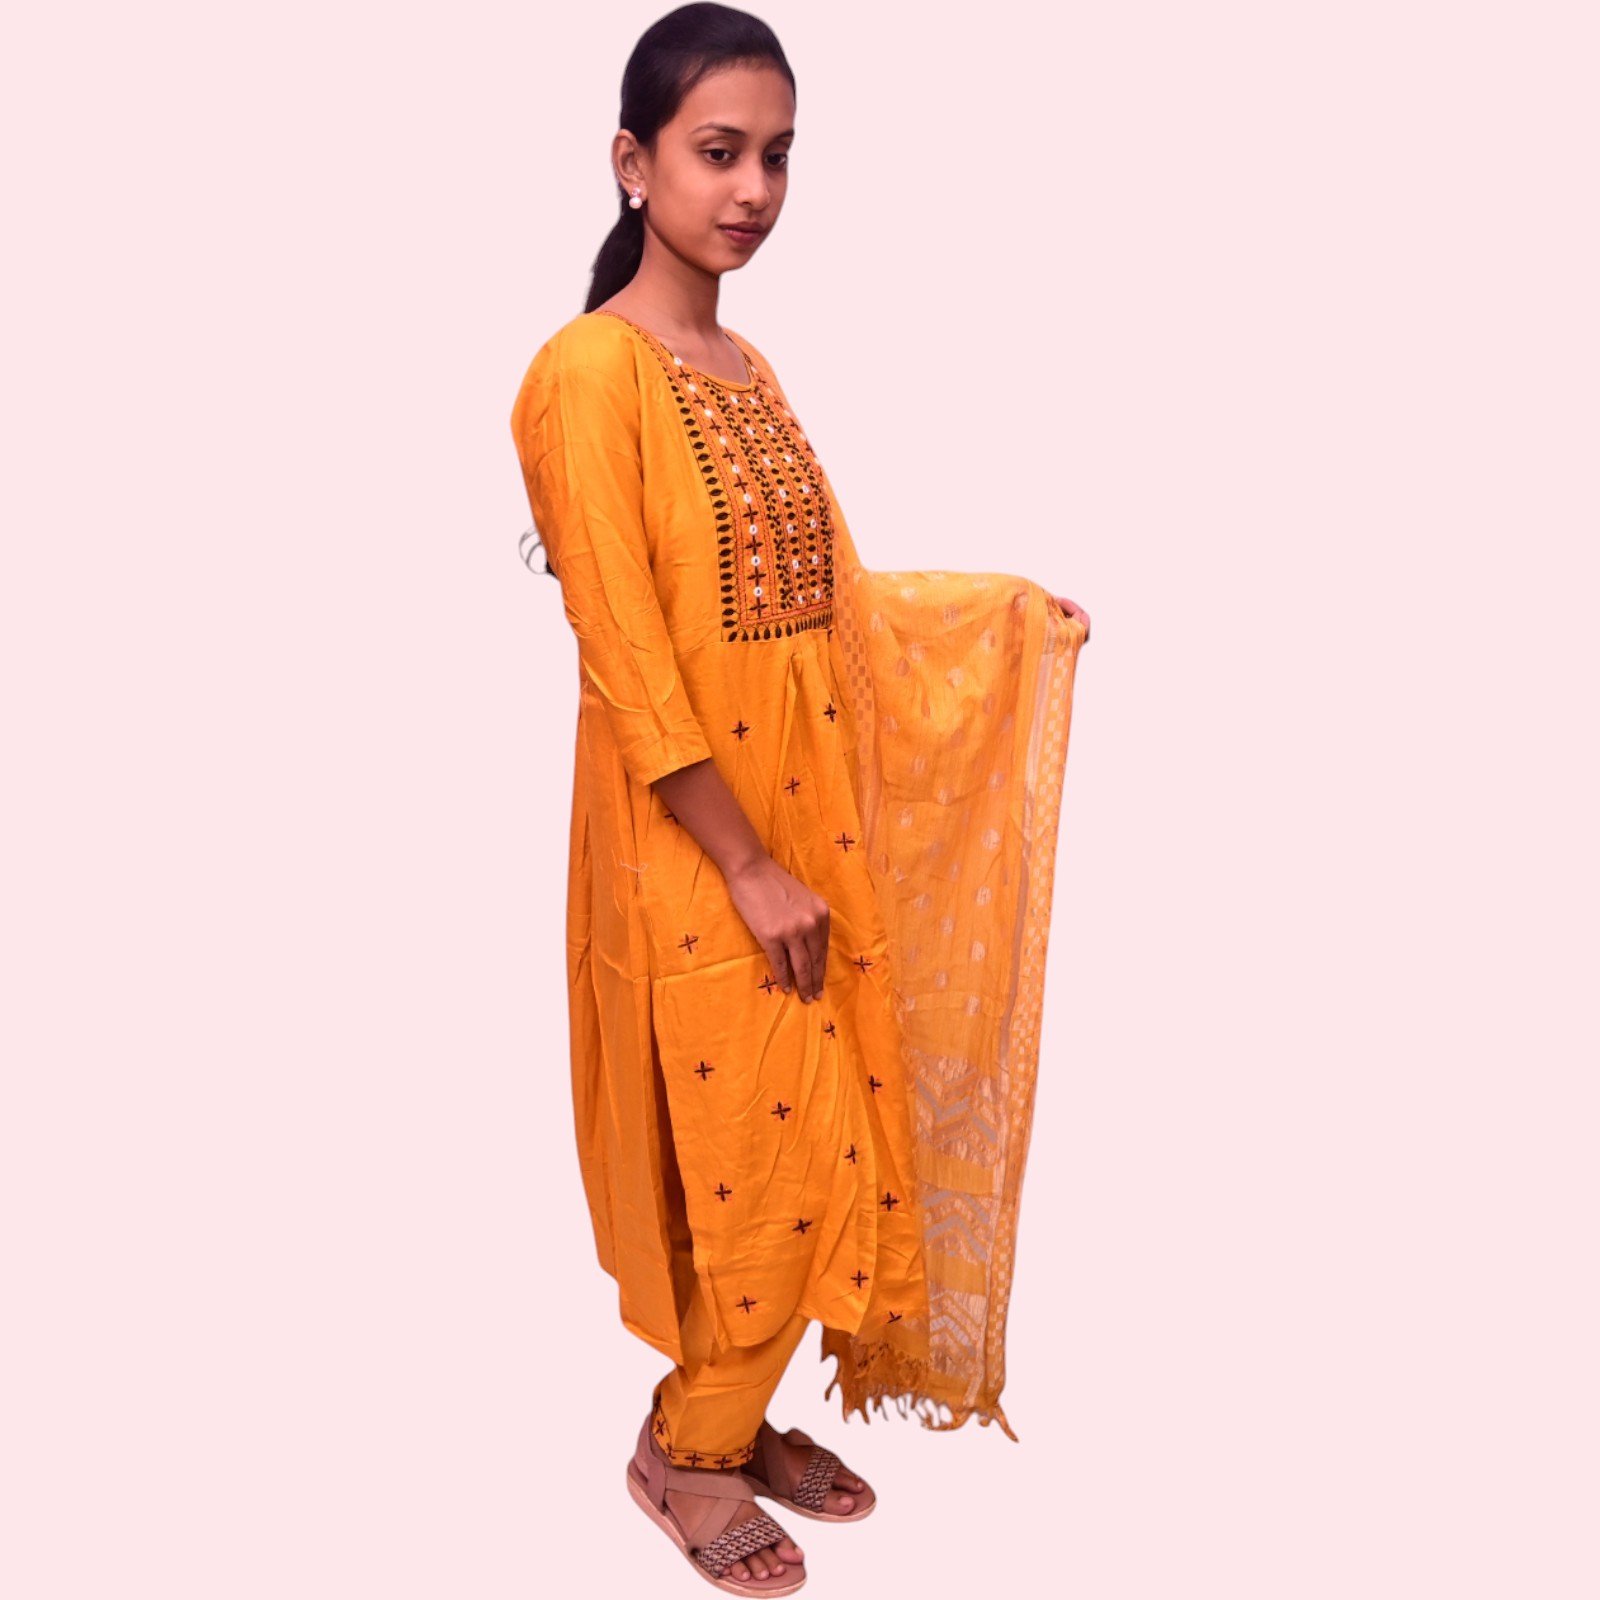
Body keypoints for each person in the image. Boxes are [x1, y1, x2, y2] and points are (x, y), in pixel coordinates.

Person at [509, 7, 1091, 1592]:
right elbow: (632, 659)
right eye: (718, 152)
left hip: (802, 826)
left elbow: (827, 612)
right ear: (632, 164)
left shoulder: (746, 369)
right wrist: (749, 865)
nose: (753, 189)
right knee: (746, 1166)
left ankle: (733, 1416)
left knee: (817, 1146)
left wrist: (1003, 616)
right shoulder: (584, 374)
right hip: (692, 853)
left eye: (776, 156)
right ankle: (687, 1456)